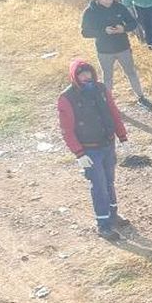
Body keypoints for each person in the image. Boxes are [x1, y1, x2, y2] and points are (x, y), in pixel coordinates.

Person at [57, 59, 129, 240]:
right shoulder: (67, 98)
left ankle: (113, 215)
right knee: (99, 187)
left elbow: (114, 113)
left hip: (107, 144)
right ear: (75, 76)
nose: (86, 77)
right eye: (81, 74)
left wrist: (123, 137)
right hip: (89, 150)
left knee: (109, 182)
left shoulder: (101, 89)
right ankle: (103, 224)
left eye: (88, 73)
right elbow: (67, 130)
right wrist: (79, 153)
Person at [81, 0, 151, 107]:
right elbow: (85, 32)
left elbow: (133, 23)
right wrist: (104, 31)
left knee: (131, 72)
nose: (108, 2)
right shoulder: (90, 11)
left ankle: (141, 97)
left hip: (123, 47)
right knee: (107, 76)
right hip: (104, 50)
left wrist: (123, 28)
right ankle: (107, 101)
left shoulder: (119, 7)